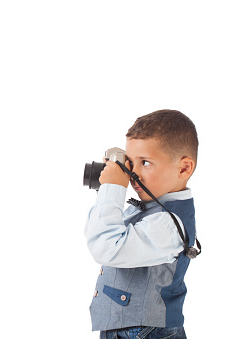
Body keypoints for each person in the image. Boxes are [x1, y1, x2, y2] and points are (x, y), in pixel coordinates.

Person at [85, 109, 199, 339]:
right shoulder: (151, 207)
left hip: (145, 332)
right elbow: (98, 232)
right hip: (130, 329)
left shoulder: (168, 223)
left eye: (145, 162)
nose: (133, 174)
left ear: (184, 168)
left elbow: (106, 246)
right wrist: (107, 189)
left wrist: (113, 189)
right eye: (130, 163)